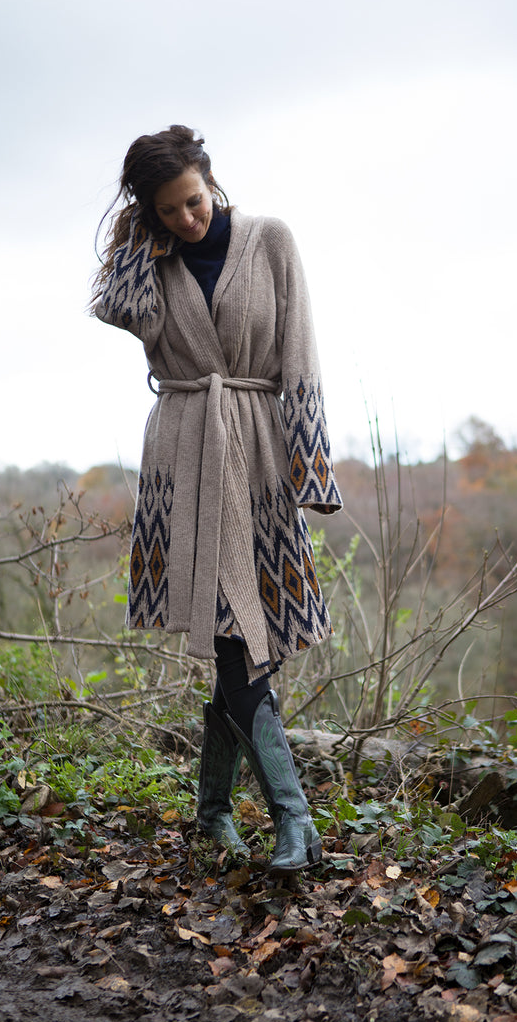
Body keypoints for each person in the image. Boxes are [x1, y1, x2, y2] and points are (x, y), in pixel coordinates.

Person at [92, 125, 342, 874]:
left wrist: (311, 468)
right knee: (237, 634)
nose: (187, 220)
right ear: (149, 212)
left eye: (194, 202)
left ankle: (213, 812)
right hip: (184, 451)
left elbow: (299, 353)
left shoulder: (270, 240)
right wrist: (140, 236)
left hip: (259, 453)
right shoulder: (152, 258)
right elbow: (119, 311)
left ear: (211, 181)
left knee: (244, 631)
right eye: (168, 210)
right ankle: (293, 821)